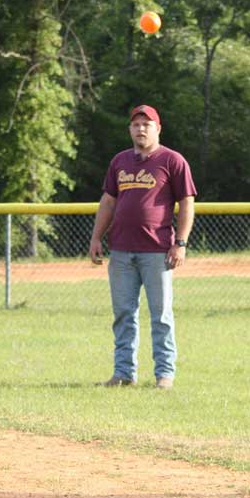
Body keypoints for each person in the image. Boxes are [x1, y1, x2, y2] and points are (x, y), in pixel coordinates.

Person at [89, 104, 197, 390]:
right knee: (123, 314)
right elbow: (109, 201)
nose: (141, 129)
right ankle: (123, 373)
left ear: (158, 128)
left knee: (161, 315)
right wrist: (96, 237)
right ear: (130, 129)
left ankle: (164, 374)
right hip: (121, 250)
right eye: (136, 124)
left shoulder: (172, 161)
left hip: (158, 250)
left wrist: (181, 243)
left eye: (147, 124)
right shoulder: (120, 162)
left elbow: (186, 203)